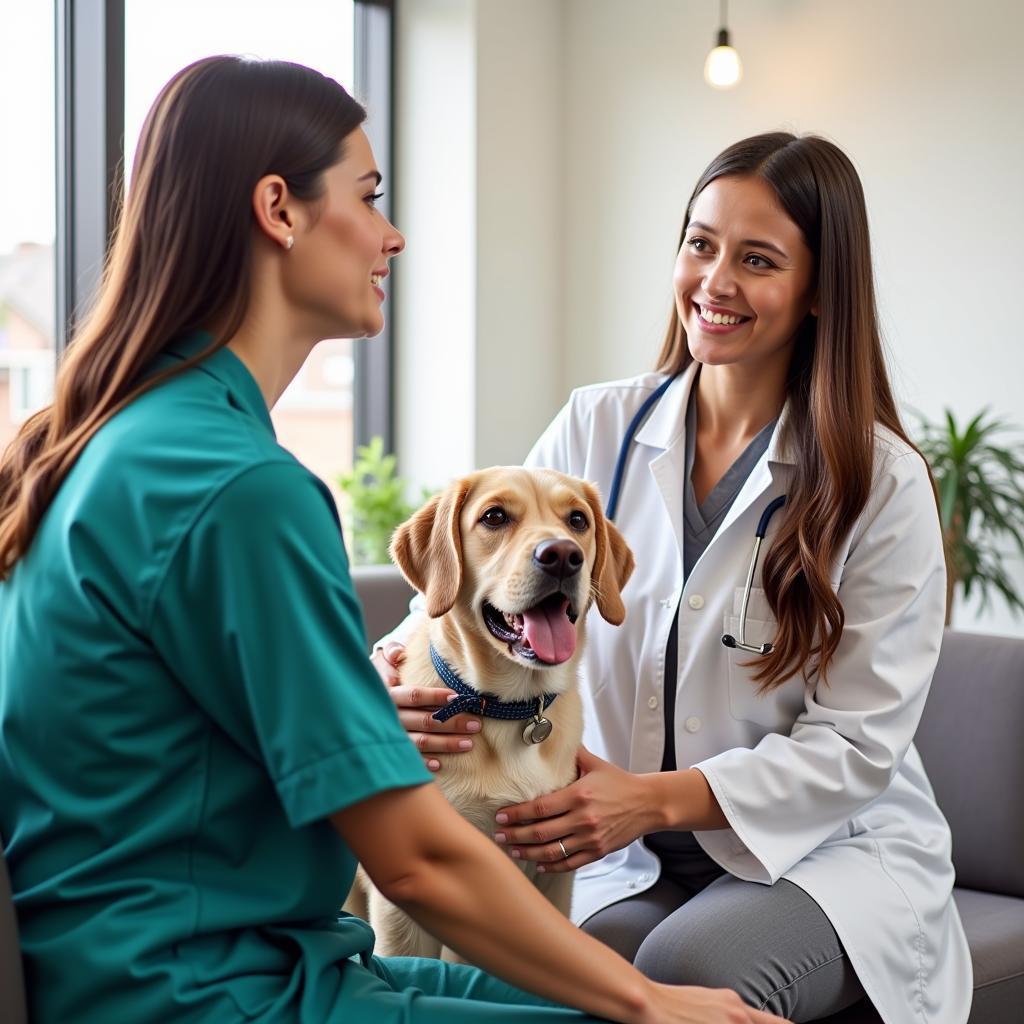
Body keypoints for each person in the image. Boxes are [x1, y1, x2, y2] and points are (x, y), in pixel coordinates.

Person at [0, 57, 786, 1024]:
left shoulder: (109, 443)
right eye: (370, 198)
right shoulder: (243, 487)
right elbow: (414, 860)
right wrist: (650, 1005)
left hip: (190, 962)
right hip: (209, 992)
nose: (393, 234)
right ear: (279, 210)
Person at [376, 132, 973, 1023]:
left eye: (758, 260)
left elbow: (856, 747)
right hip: (618, 853)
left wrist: (650, 800)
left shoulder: (882, 482)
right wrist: (391, 671)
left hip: (819, 854)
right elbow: (477, 575)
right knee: (551, 981)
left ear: (818, 292)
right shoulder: (600, 425)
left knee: (687, 966)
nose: (715, 281)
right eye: (700, 244)